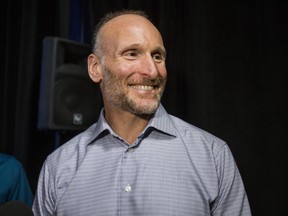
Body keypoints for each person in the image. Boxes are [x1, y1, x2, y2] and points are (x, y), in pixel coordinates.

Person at [33, 10, 251, 216]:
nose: (152, 71)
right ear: (95, 68)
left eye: (157, 56)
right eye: (132, 54)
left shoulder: (213, 156)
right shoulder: (58, 166)